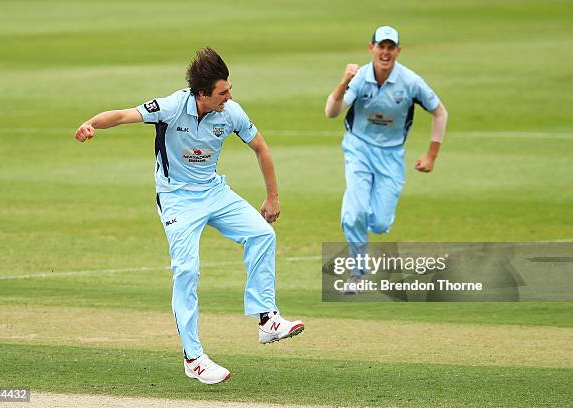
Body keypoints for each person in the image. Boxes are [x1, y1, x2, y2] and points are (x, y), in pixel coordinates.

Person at [74, 47, 304, 384]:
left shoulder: (231, 112)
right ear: (202, 94)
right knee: (186, 270)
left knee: (262, 234)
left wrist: (272, 197)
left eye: (229, 89)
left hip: (214, 191)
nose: (229, 96)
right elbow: (124, 115)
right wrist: (90, 124)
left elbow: (261, 148)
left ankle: (267, 319)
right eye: (222, 92)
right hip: (176, 199)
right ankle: (193, 357)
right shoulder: (170, 107)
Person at [325, 26, 448, 289]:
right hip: (358, 149)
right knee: (353, 214)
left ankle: (360, 218)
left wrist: (431, 155)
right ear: (371, 48)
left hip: (391, 155)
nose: (385, 52)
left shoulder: (410, 82)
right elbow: (331, 112)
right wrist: (344, 81)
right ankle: (357, 272)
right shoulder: (359, 79)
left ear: (398, 51)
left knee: (380, 224)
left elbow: (440, 113)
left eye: (391, 47)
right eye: (381, 46)